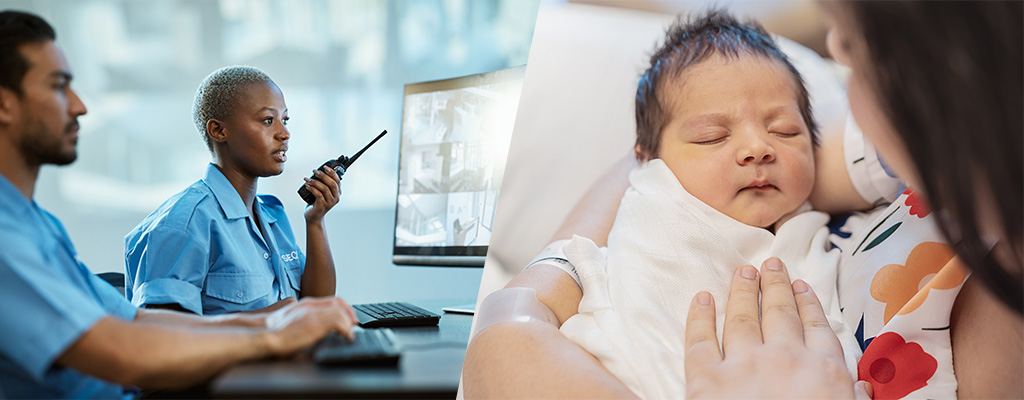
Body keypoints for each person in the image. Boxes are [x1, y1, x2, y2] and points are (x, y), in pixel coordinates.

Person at [463, 1, 1022, 399]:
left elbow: (506, 342)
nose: (757, 148)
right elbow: (642, 167)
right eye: (714, 136)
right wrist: (520, 316)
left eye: (850, 50)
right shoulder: (898, 150)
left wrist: (514, 326)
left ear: (949, 76)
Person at [0, 10, 356, 398]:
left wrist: (282, 321)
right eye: (58, 86)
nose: (80, 106)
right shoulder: (7, 240)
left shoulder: (36, 225)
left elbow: (137, 323)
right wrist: (272, 334)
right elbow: (125, 352)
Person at [550, 11, 863, 398]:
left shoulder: (809, 219)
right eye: (712, 137)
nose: (757, 149)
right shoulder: (657, 208)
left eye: (785, 131)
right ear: (648, 159)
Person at [124, 65, 344, 316]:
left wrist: (315, 221)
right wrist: (268, 322)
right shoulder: (183, 224)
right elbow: (163, 336)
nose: (284, 134)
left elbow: (315, 310)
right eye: (267, 120)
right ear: (219, 131)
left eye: (285, 120)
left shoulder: (272, 217)